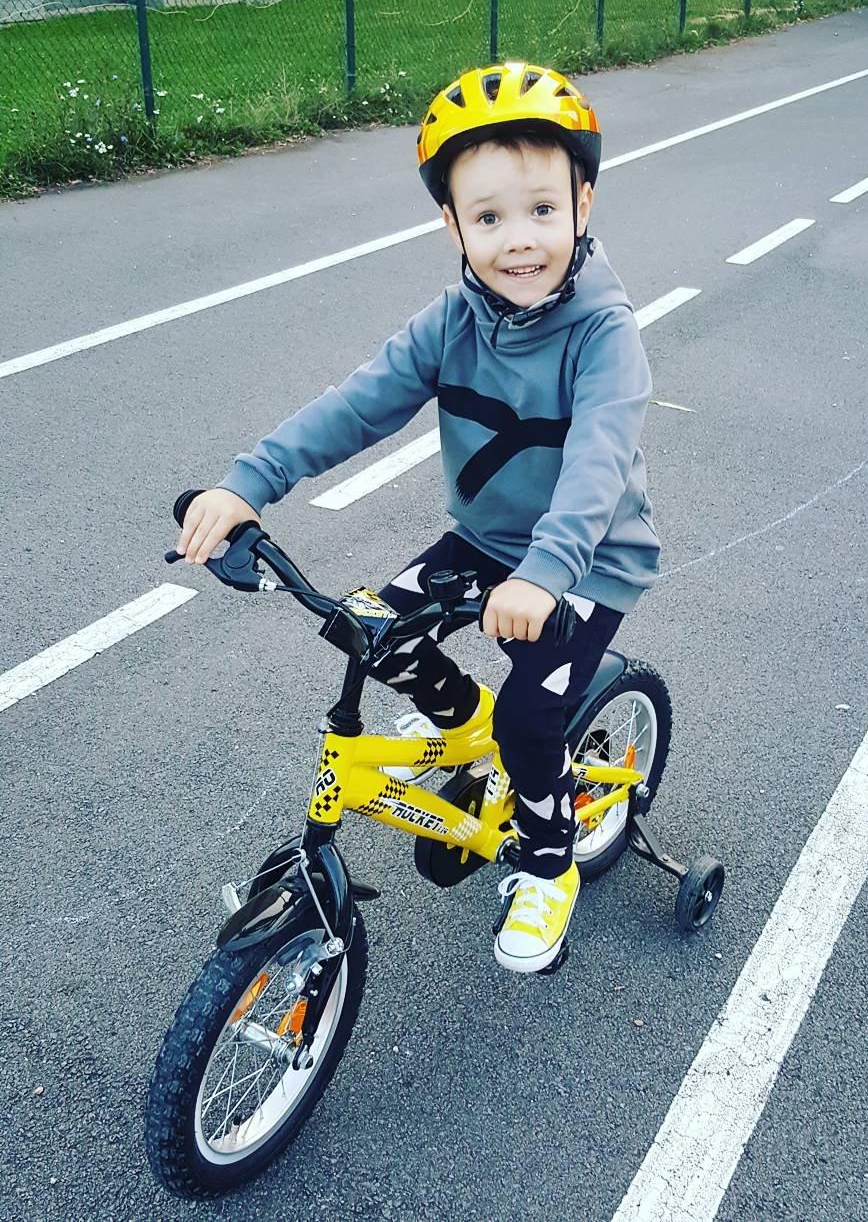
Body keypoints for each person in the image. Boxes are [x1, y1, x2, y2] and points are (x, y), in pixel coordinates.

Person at [176, 61, 661, 973]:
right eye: (489, 217)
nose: (520, 240)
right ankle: (469, 726)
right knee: (369, 629)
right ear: (452, 224)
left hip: (586, 561)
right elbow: (358, 403)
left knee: (532, 719)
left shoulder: (605, 334)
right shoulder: (452, 321)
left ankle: (548, 864)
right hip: (485, 542)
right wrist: (250, 482)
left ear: (584, 203)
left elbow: (597, 466)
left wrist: (544, 574)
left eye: (542, 210)